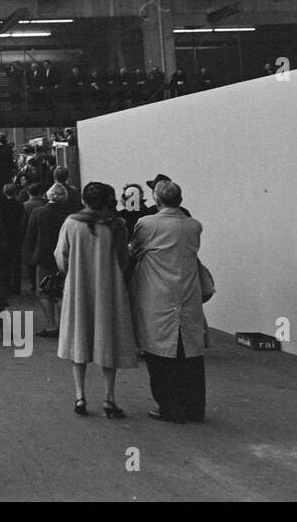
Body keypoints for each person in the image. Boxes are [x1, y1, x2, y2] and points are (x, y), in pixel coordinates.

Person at [56, 182, 137, 419]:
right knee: (107, 338)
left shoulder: (71, 223)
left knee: (79, 337)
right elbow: (124, 258)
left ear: (84, 200)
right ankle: (109, 397)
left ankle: (80, 395)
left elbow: (61, 256)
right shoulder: (117, 226)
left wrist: (71, 271)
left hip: (79, 285)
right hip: (108, 286)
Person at [129, 180, 208, 423]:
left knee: (160, 353)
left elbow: (134, 250)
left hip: (158, 294)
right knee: (190, 354)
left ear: (156, 200)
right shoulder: (194, 226)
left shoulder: (146, 224)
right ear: (180, 200)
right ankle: (195, 408)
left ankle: (170, 406)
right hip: (187, 293)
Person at [23, 183, 69, 338]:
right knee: (61, 292)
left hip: (44, 256)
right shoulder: (70, 213)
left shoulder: (38, 212)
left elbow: (30, 235)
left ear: (48, 196)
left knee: (44, 292)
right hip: (65, 256)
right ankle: (64, 326)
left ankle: (51, 325)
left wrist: (28, 255)